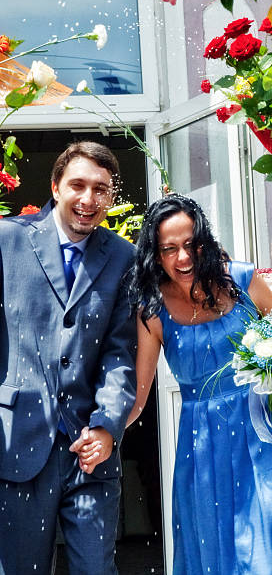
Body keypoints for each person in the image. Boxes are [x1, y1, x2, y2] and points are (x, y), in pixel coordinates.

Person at [0, 140, 137, 575]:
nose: (89, 200)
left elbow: (119, 352)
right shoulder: (4, 237)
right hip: (11, 445)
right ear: (55, 187)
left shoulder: (123, 256)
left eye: (101, 189)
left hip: (89, 455)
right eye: (78, 186)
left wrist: (107, 427)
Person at [107, 194, 272, 575]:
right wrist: (102, 433)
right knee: (210, 553)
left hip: (259, 436)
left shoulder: (245, 283)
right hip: (201, 452)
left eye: (191, 245)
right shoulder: (153, 312)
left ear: (205, 243)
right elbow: (137, 396)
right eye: (170, 249)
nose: (183, 258)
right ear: (156, 255)